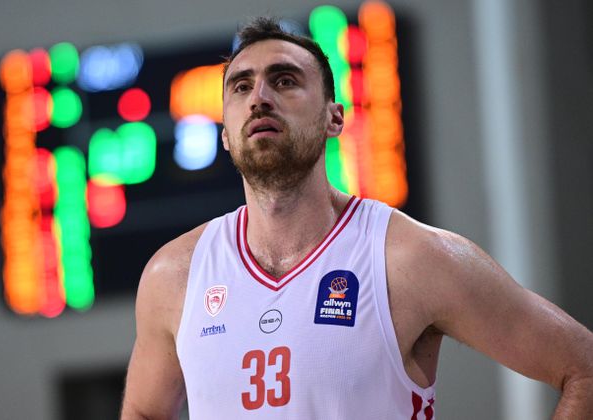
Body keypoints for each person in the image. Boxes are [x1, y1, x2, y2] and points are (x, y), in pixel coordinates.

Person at [120, 17, 593, 420]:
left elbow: (584, 368)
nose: (259, 97)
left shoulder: (410, 258)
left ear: (334, 118)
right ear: (225, 134)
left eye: (284, 81)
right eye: (241, 86)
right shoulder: (174, 275)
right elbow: (142, 411)